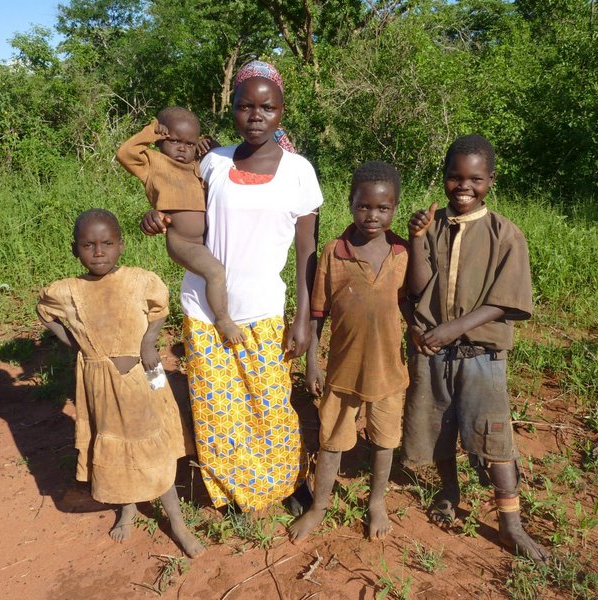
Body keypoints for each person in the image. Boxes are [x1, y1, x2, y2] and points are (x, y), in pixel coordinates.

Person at [142, 61, 322, 512]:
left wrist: (303, 318)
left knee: (271, 404)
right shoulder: (212, 162)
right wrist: (156, 217)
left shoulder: (299, 171)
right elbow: (181, 213)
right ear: (233, 110)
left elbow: (306, 253)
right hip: (204, 308)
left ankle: (287, 484)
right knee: (220, 413)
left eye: (267, 107)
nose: (255, 115)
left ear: (281, 112)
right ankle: (234, 493)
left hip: (262, 309)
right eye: (245, 106)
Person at [402, 134, 548, 562]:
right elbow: (416, 287)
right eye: (454, 177)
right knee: (438, 427)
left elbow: (506, 300)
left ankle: (510, 523)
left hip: (480, 355)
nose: (463, 186)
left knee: (494, 436)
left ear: (490, 181)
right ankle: (449, 490)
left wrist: (455, 328)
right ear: (444, 178)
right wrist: (415, 238)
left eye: (474, 179)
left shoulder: (505, 234)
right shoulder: (431, 227)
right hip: (432, 352)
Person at [36, 209, 204, 557]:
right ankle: (127, 508)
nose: (99, 252)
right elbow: (45, 312)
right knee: (115, 446)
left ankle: (177, 523)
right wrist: (80, 346)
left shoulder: (140, 281)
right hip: (100, 387)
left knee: (150, 448)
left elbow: (158, 313)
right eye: (89, 245)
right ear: (75, 250)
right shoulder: (69, 291)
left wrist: (147, 344)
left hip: (140, 383)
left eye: (108, 243)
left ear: (121, 246)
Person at [289, 161, 410, 542]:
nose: (372, 216)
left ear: (395, 208)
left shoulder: (403, 254)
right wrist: (312, 363)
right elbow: (318, 314)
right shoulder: (333, 253)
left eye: (382, 208)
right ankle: (319, 506)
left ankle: (376, 503)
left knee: (385, 439)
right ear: (350, 203)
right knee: (331, 441)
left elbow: (413, 307)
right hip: (342, 371)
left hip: (389, 371)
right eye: (363, 206)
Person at [116, 106, 244, 344]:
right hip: (182, 241)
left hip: (205, 240)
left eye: (190, 143)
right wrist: (151, 130)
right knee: (215, 272)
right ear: (162, 140)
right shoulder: (153, 163)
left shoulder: (196, 164)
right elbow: (125, 153)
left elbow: (219, 167)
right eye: (174, 141)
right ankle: (223, 319)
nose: (183, 148)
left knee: (223, 272)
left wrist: (211, 146)